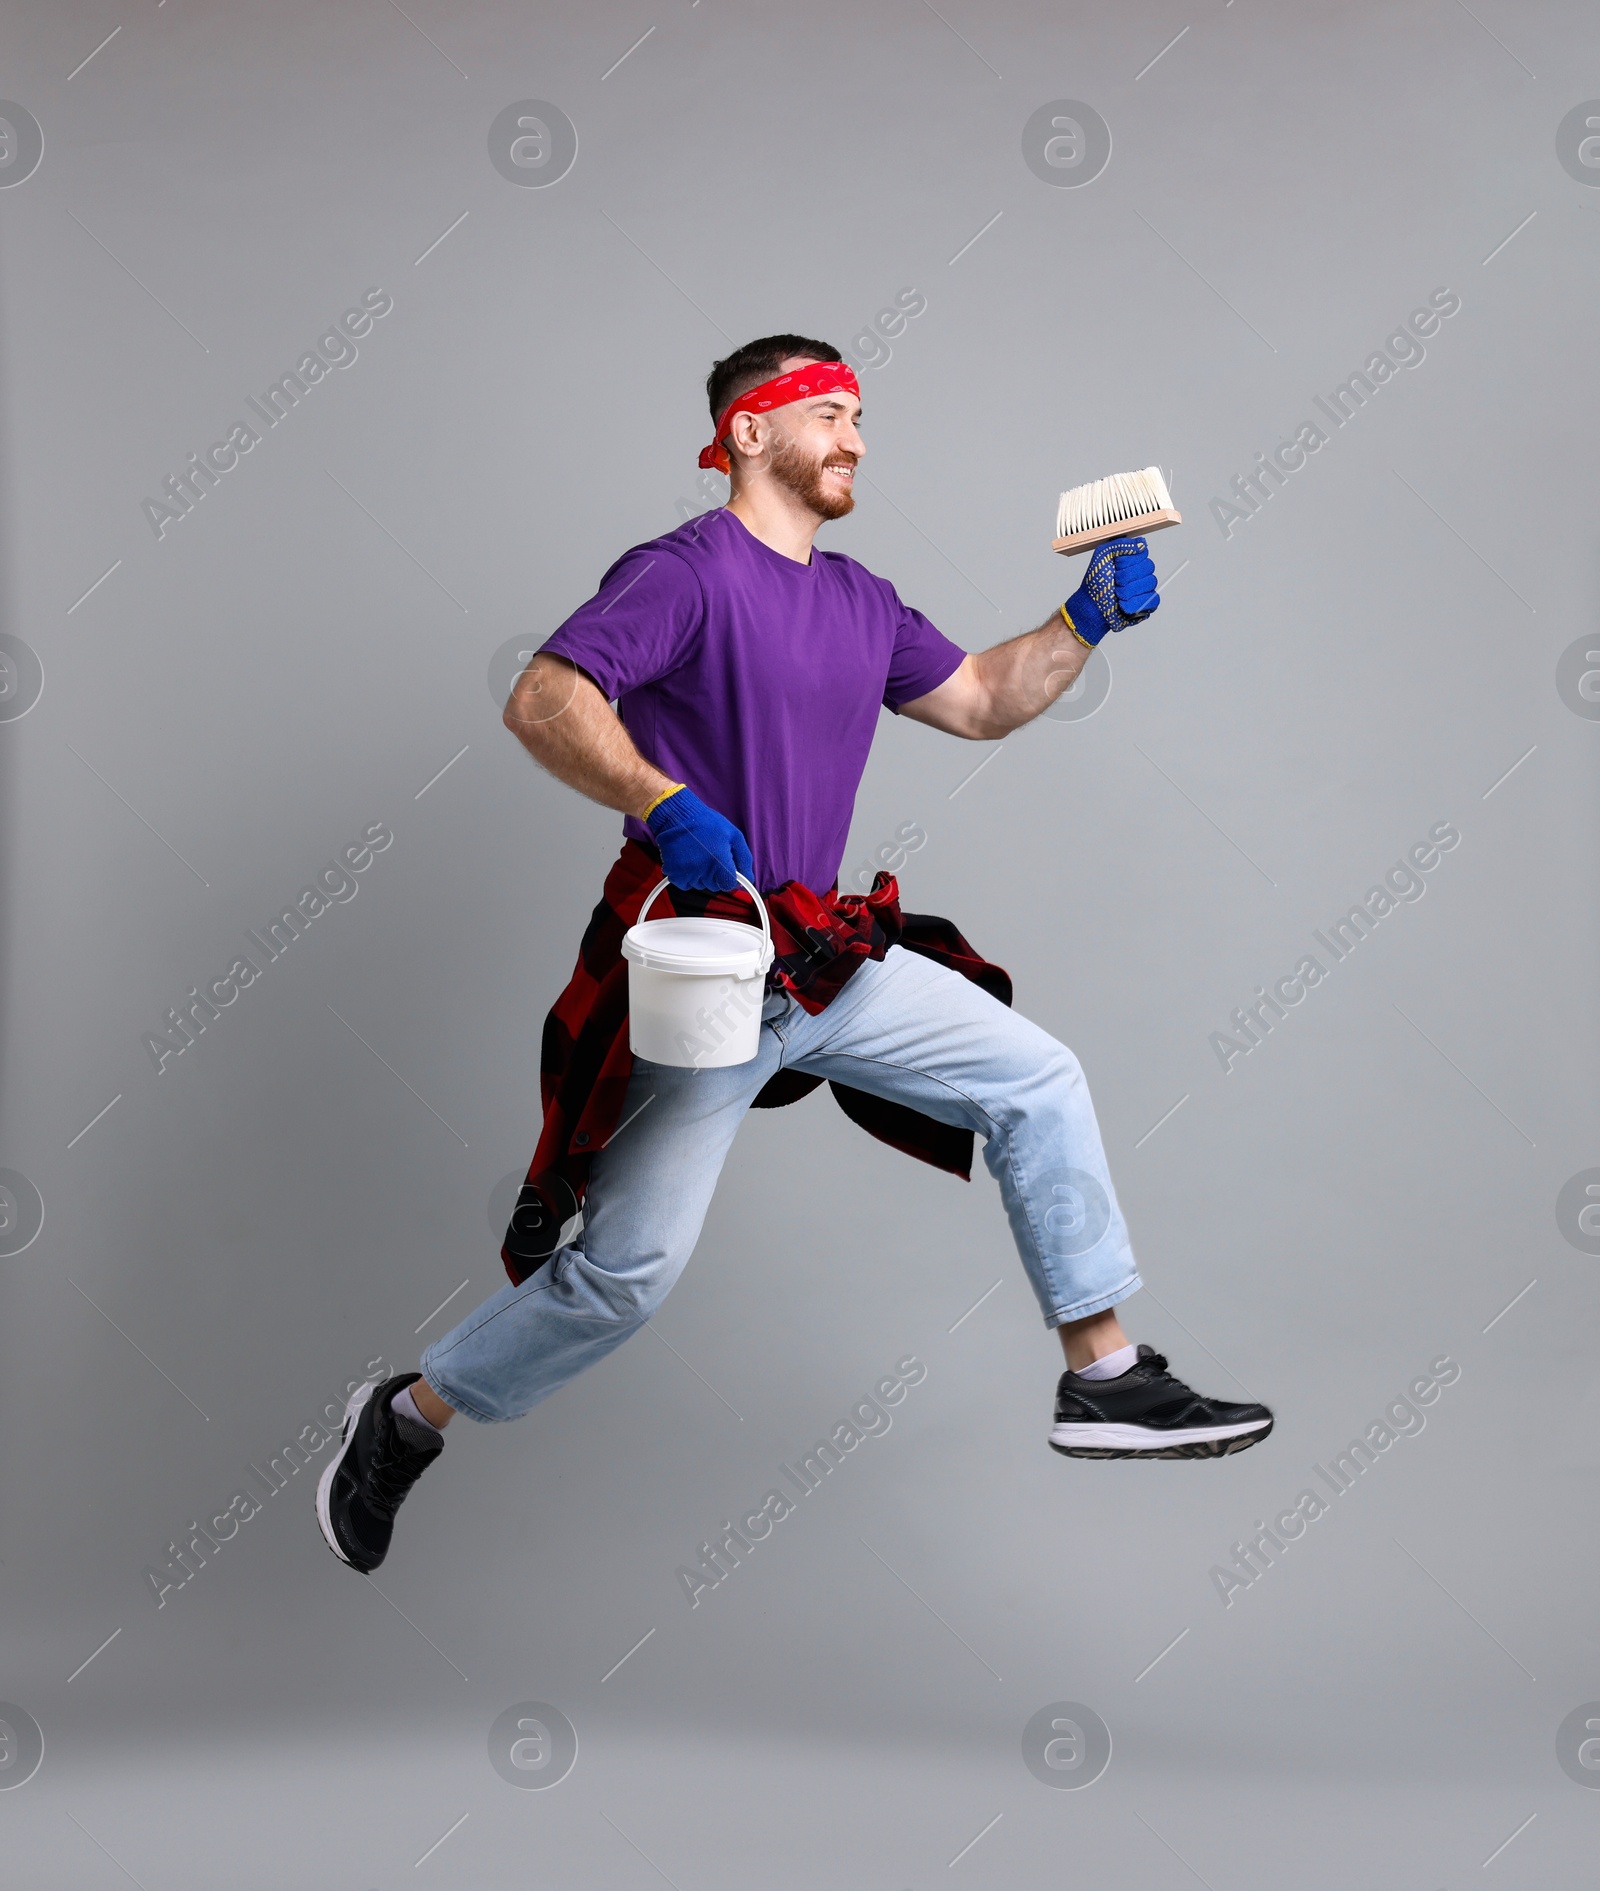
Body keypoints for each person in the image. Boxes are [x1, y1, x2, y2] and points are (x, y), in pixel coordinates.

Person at [317, 336, 1273, 1574]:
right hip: (702, 960)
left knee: (1036, 1076)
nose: (856, 438)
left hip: (823, 954)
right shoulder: (681, 575)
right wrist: (662, 800)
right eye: (829, 413)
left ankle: (1104, 1377)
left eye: (861, 417)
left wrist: (1082, 620)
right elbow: (545, 697)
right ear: (750, 432)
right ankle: (404, 1419)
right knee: (623, 1280)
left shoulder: (862, 601)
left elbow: (981, 697)